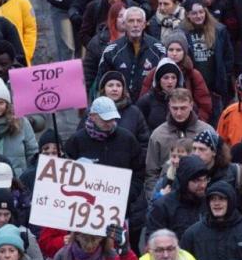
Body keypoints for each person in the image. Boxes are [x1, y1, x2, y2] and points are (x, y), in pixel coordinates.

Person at [65, 96, 146, 249]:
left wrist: (128, 194)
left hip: (120, 211)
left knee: (119, 252)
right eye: (104, 120)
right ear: (93, 116)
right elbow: (66, 174)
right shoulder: (77, 140)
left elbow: (139, 171)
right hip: (86, 213)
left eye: (112, 119)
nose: (109, 123)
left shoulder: (127, 139)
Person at [144, 88, 214, 197]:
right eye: (175, 108)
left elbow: (215, 165)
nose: (179, 113)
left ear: (191, 105)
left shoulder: (206, 131)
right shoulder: (158, 135)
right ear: (169, 106)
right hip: (166, 196)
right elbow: (151, 173)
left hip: (201, 194)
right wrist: (154, 199)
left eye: (183, 108)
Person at [139, 32, 212, 123]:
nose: (174, 53)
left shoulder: (193, 74)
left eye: (178, 50)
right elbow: (143, 100)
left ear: (184, 52)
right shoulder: (155, 72)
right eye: (171, 49)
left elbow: (204, 103)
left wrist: (197, 123)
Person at [96, 6, 165, 101]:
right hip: (120, 106)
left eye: (139, 21)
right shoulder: (112, 50)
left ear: (144, 24)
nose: (135, 25)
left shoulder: (158, 49)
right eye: (131, 21)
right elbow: (101, 82)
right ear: (124, 24)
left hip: (149, 106)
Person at [181, 0, 234, 114]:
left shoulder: (219, 30)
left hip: (215, 86)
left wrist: (225, 75)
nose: (198, 16)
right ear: (188, 15)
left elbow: (228, 56)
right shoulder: (182, 32)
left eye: (201, 12)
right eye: (194, 13)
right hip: (193, 86)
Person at [0, 76, 37, 176]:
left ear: (7, 103)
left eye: (1, 103)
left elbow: (32, 151)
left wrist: (31, 175)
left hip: (19, 178)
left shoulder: (20, 121)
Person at [146, 154, 210, 240]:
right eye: (197, 180)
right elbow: (154, 241)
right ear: (185, 181)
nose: (202, 185)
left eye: (205, 179)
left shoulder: (209, 202)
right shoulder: (163, 206)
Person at [96, 70, 150, 155]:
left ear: (123, 89)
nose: (115, 89)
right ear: (103, 89)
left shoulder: (135, 113)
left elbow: (144, 144)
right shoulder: (93, 111)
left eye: (118, 85)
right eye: (110, 85)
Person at [136, 58, 184, 131]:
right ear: (159, 80)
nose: (170, 81)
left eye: (173, 77)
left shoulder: (185, 99)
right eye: (166, 78)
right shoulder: (146, 101)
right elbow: (139, 128)